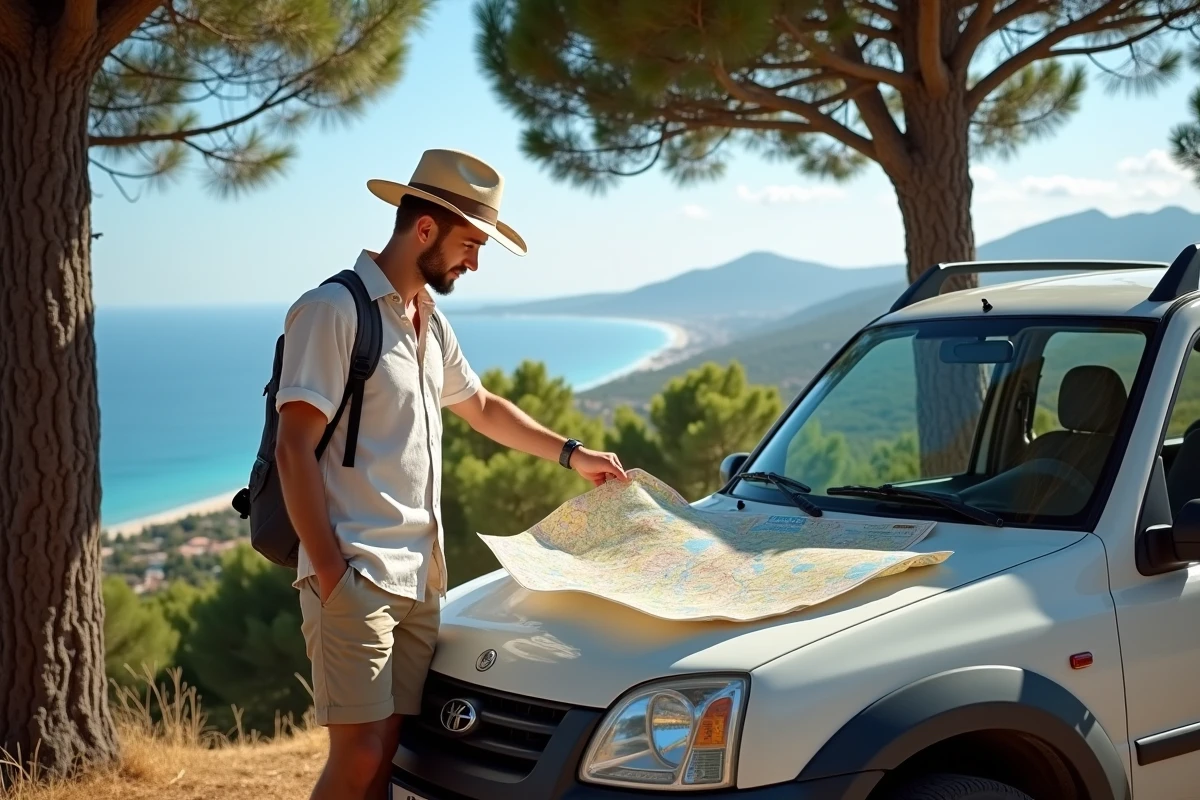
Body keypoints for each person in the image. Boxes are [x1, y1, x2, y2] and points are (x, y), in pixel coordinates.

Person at [273, 148, 629, 800]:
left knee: (386, 761)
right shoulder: (334, 310)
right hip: (356, 574)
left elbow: (484, 407)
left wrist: (574, 455)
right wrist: (330, 574)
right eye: (470, 243)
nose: (474, 262)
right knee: (358, 756)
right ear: (426, 228)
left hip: (421, 578)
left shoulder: (428, 321)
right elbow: (293, 447)